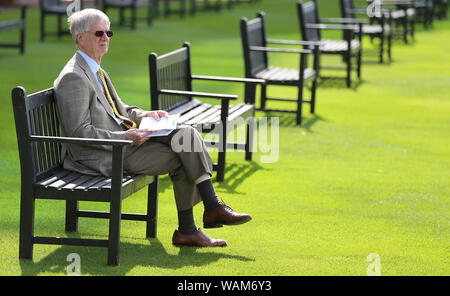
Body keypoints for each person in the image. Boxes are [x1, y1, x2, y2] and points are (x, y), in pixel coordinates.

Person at [54, 8, 251, 247]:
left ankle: (209, 210)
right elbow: (79, 133)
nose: (105, 37)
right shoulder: (73, 77)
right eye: (99, 33)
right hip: (100, 154)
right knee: (183, 156)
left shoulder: (96, 70)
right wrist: (125, 136)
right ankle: (193, 225)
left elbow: (120, 110)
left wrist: (146, 115)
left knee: (186, 134)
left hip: (124, 143)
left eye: (108, 32)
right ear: (80, 38)